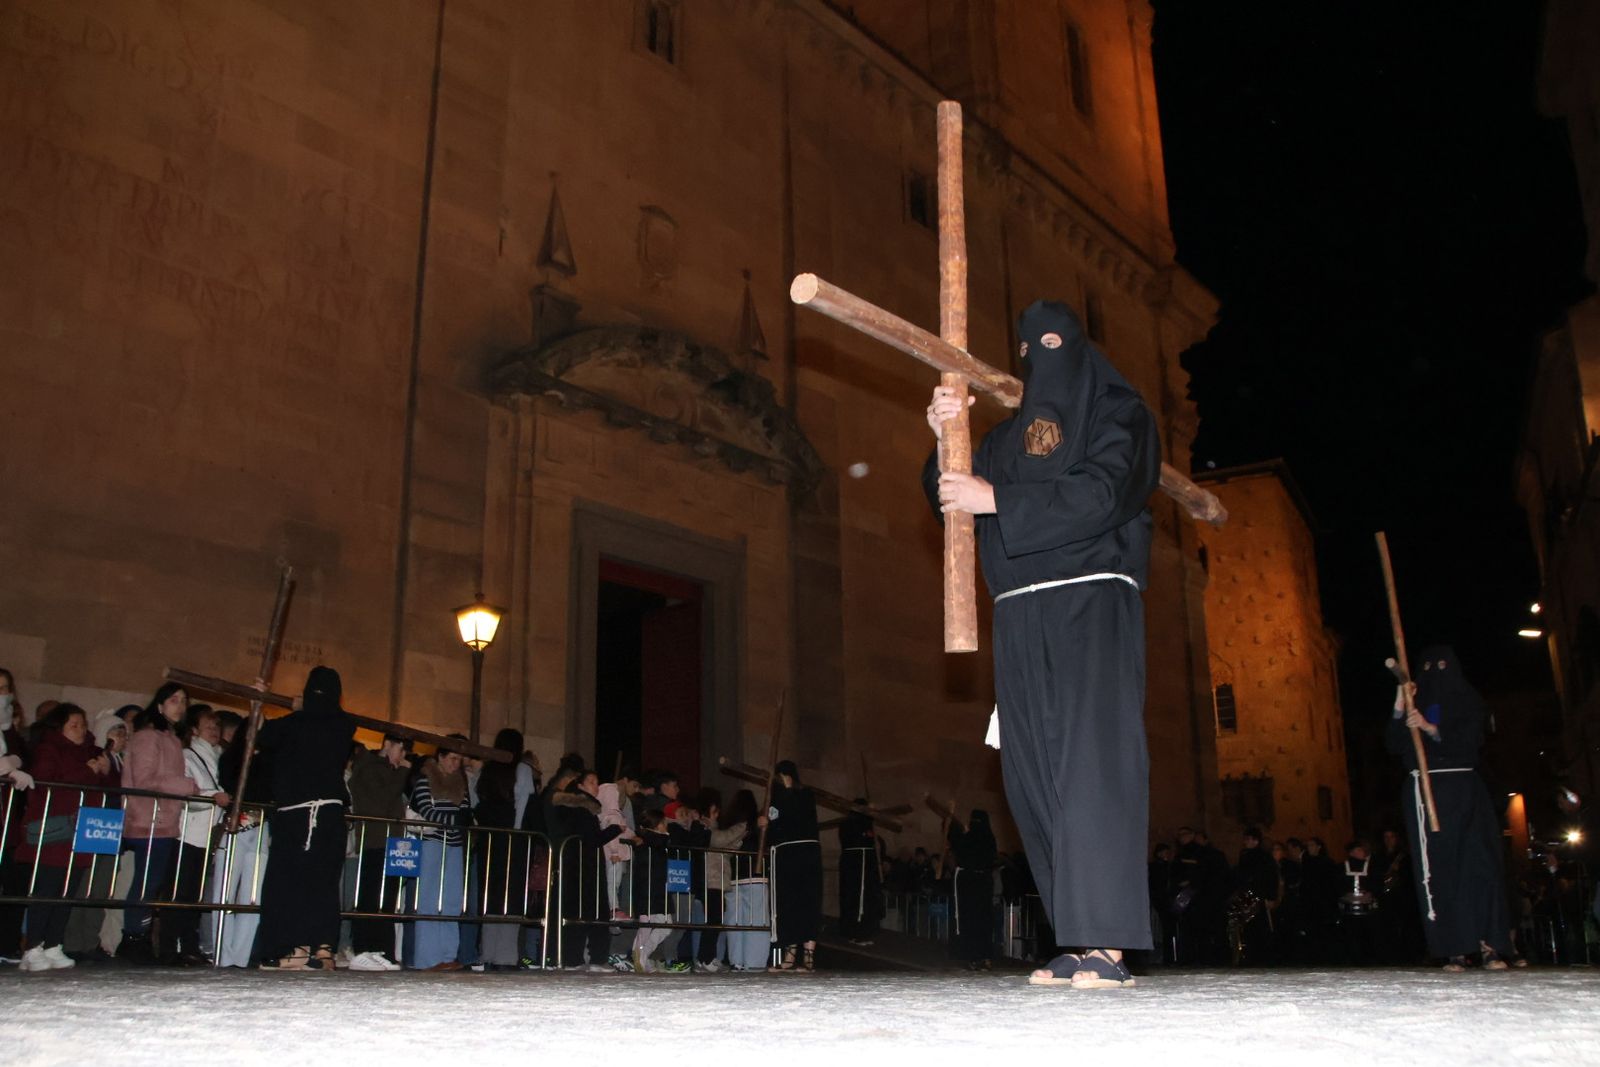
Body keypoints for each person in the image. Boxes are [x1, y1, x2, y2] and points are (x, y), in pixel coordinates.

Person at [924, 299, 1160, 990]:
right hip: (1020, 616)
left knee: (1093, 765)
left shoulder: (1120, 414)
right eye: (1030, 345)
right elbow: (949, 495)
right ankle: (1076, 934)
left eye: (1055, 341)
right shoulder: (1002, 438)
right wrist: (945, 435)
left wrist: (999, 501)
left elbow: (1106, 491)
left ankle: (1110, 944)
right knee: (1034, 776)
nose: (1042, 352)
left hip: (1092, 601)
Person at [1389, 646, 1513, 972]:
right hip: (1427, 790)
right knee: (1440, 870)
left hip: (1465, 792)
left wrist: (1432, 729)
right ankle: (1453, 947)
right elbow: (1393, 744)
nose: (1436, 672)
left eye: (1443, 665)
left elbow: (1472, 739)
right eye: (1428, 666)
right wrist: (1401, 706)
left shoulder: (1467, 702)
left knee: (1480, 865)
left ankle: (1490, 944)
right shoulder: (1415, 702)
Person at [254, 666, 356, 970]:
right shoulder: (344, 725)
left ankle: (293, 947)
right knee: (323, 882)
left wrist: (258, 703)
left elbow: (264, 735)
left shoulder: (292, 725)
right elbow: (329, 717)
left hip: (298, 816)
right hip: (330, 815)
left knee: (290, 881)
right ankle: (322, 946)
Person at [14, 704, 115, 971]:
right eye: (74, 725)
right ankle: (33, 946)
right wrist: (89, 771)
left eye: (83, 724)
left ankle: (53, 944)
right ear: (59, 727)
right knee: (47, 889)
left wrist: (105, 771)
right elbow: (48, 781)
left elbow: (110, 788)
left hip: (83, 831)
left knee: (67, 892)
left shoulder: (93, 752)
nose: (81, 730)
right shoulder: (49, 749)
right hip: (56, 832)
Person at [120, 683, 214, 963]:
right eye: (173, 700)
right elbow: (145, 780)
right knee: (146, 882)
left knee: (154, 882)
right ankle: (134, 937)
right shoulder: (149, 738)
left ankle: (141, 937)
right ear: (159, 705)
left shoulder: (170, 739)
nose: (180, 705)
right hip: (150, 818)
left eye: (184, 701)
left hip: (164, 819)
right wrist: (187, 785)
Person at [548, 769, 626, 971]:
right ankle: (589, 958)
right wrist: (616, 829)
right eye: (591, 781)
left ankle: (578, 958)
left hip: (578, 866)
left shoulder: (573, 809)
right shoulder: (581, 810)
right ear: (580, 786)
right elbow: (592, 839)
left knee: (583, 912)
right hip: (584, 868)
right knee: (590, 912)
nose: (596, 786)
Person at [346, 732, 412, 971]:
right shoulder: (369, 766)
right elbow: (383, 800)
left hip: (392, 842)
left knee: (388, 898)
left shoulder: (387, 770)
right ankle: (364, 948)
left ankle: (383, 950)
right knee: (371, 895)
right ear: (388, 745)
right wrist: (402, 772)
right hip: (375, 840)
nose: (403, 757)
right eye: (401, 749)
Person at [406, 739, 472, 971]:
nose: (457, 764)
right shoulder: (426, 779)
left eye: (460, 760)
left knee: (452, 901)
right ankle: (428, 957)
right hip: (432, 843)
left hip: (454, 846)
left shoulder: (459, 784)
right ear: (441, 757)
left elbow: (465, 812)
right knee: (429, 899)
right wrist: (456, 822)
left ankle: (447, 954)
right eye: (453, 758)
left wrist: (461, 822)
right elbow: (427, 810)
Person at [168, 704, 226, 965]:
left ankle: (190, 944)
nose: (214, 731)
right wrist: (213, 798)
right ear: (194, 730)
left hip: (207, 836)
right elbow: (188, 794)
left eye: (217, 726)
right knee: (182, 892)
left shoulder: (218, 758)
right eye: (209, 726)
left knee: (194, 894)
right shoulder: (187, 756)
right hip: (189, 833)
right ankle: (176, 945)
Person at [759, 759, 821, 972]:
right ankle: (790, 953)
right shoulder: (774, 800)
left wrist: (788, 790)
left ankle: (809, 956)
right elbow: (776, 828)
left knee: (807, 901)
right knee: (787, 904)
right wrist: (765, 824)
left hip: (805, 854)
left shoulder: (805, 795)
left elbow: (799, 816)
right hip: (785, 856)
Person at [948, 809, 998, 968]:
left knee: (971, 921)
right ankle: (986, 956)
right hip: (984, 883)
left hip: (970, 884)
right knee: (984, 921)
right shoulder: (990, 838)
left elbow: (957, 846)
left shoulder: (968, 838)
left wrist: (954, 827)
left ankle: (974, 957)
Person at [837, 802, 884, 945]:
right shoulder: (850, 825)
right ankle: (856, 933)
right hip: (857, 866)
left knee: (866, 898)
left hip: (863, 865)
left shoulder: (863, 825)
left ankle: (864, 932)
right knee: (856, 898)